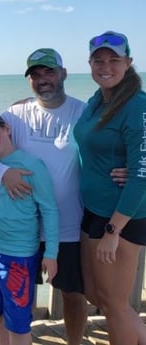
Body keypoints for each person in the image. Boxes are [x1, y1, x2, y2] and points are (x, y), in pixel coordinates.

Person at [0, 48, 89, 345]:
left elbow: (105, 150)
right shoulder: (15, 114)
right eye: (35, 75)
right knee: (12, 298)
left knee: (72, 293)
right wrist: (3, 175)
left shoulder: (82, 112)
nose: (43, 79)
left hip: (66, 225)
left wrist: (123, 170)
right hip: (20, 231)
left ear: (63, 73)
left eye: (49, 72)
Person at [74, 31, 146, 345]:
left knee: (115, 304)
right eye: (98, 60)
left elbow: (142, 176)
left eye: (114, 60)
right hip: (94, 209)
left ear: (128, 63)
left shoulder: (136, 105)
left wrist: (113, 231)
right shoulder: (98, 100)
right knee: (96, 294)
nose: (106, 66)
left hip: (121, 218)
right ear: (90, 63)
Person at [0, 111, 59, 345]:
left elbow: (49, 210)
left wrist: (51, 254)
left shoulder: (32, 165)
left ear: (7, 128)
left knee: (19, 324)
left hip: (19, 257)